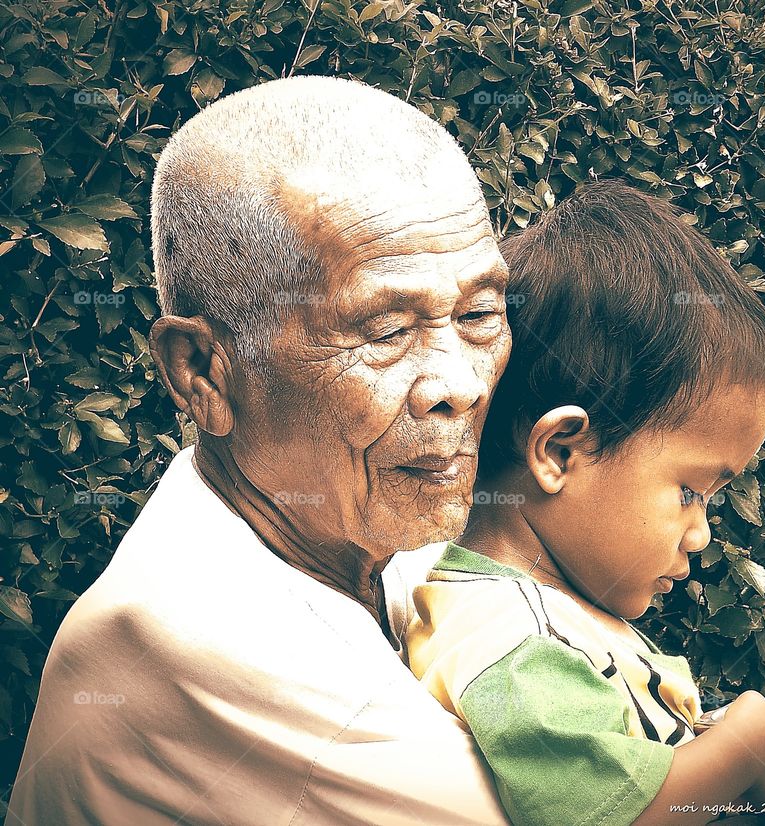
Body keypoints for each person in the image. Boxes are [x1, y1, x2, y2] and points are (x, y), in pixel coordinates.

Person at [5, 75, 515, 825]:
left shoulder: (369, 537)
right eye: (385, 332)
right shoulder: (196, 629)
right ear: (202, 372)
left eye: (477, 314)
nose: (461, 385)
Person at [402, 180, 765, 826]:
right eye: (690, 491)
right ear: (560, 453)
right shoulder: (505, 639)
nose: (701, 534)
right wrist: (741, 750)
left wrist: (757, 751)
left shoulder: (558, 608)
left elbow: (634, 757)